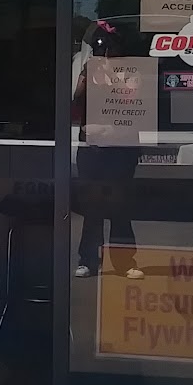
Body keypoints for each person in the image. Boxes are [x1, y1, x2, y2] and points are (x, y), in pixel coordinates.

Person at [71, 19, 144, 279]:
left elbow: (131, 98)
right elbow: (76, 97)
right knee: (92, 207)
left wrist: (111, 75)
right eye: (101, 49)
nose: (106, 54)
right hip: (92, 147)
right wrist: (88, 73)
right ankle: (88, 260)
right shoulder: (90, 69)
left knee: (119, 205)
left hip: (121, 148)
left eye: (110, 49)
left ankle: (125, 262)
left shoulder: (131, 71)